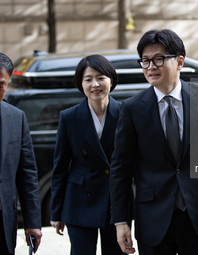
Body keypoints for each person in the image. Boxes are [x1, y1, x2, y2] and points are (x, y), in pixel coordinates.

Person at [110, 29, 198, 255]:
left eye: (159, 59)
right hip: (152, 217)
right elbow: (120, 169)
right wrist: (121, 221)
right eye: (145, 61)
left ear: (180, 61)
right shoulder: (132, 108)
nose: (151, 66)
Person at [50, 54, 128, 255]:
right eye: (88, 79)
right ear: (81, 84)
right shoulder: (69, 117)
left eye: (101, 77)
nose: (95, 84)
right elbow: (60, 168)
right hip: (78, 202)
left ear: (111, 80)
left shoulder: (126, 113)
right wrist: (56, 212)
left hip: (116, 202)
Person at [0, 52, 42, 254]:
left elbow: (27, 175)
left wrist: (32, 222)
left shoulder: (16, 118)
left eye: (1, 84)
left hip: (3, 223)